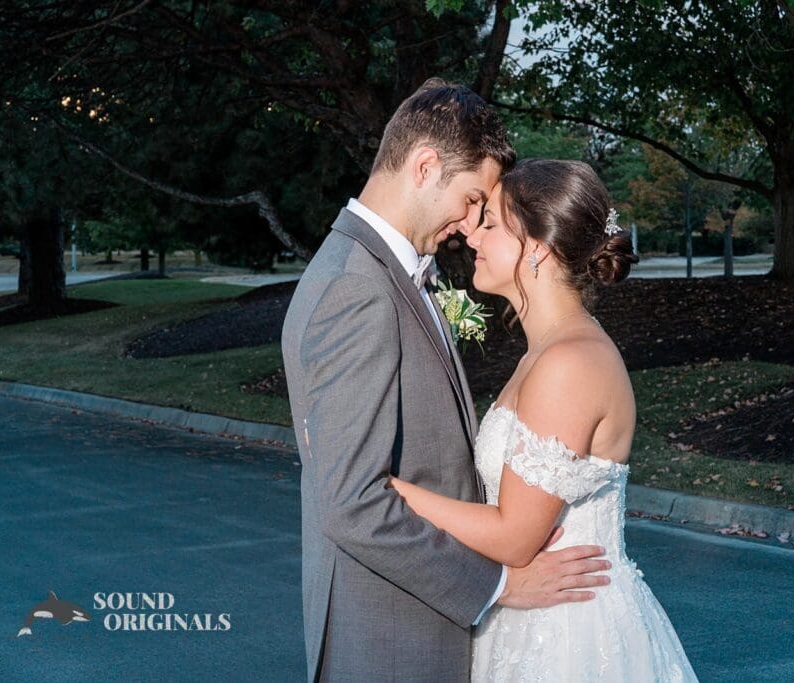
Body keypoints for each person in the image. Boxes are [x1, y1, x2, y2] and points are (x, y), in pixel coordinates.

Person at [280, 80, 612, 682]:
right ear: (425, 166)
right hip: (388, 639)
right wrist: (500, 585)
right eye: (470, 198)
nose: (469, 223)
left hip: (413, 629)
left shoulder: (383, 273)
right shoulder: (360, 288)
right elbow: (353, 504)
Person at [388, 158, 700, 681]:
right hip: (531, 617)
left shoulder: (569, 362)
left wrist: (388, 488)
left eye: (489, 224)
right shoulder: (548, 350)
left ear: (535, 246)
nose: (471, 237)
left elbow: (515, 538)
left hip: (569, 638)